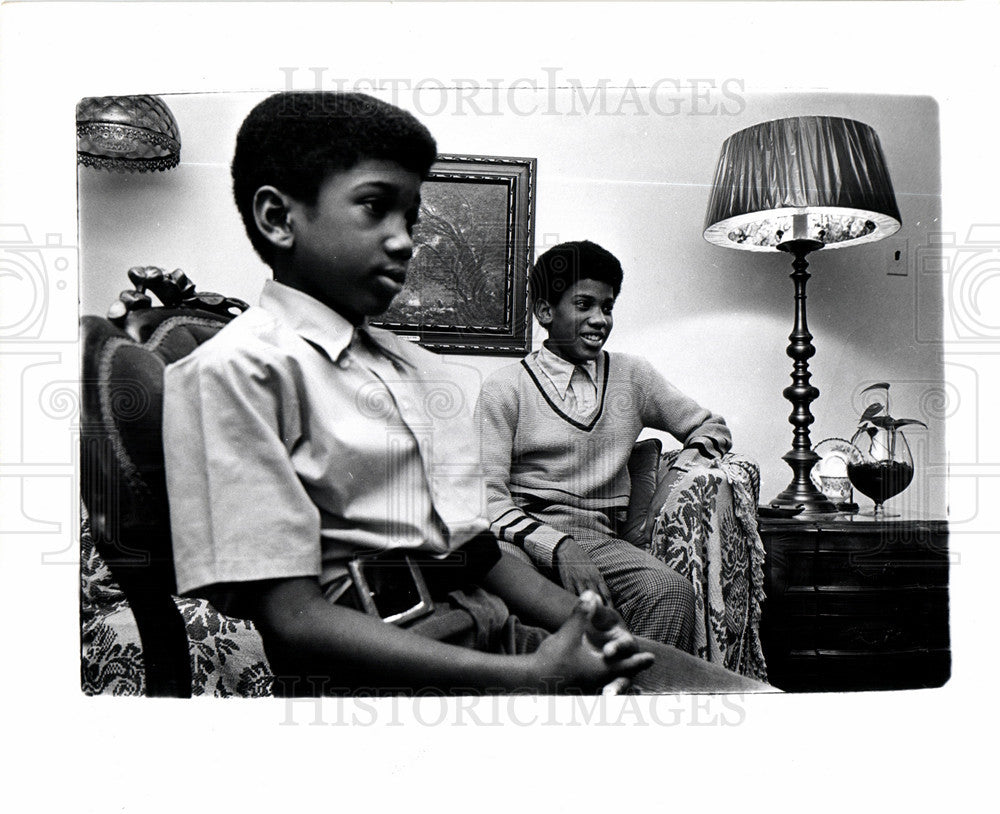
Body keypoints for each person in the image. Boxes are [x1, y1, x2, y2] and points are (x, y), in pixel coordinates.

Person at [163, 91, 765, 695]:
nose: (405, 241)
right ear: (277, 217)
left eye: (411, 217)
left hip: (495, 636)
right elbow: (295, 622)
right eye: (375, 207)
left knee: (743, 700)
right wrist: (532, 677)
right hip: (379, 681)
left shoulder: (421, 370)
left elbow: (481, 554)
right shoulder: (233, 373)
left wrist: (599, 632)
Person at [475, 241, 732, 650]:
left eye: (608, 307)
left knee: (669, 592)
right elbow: (486, 499)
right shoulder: (505, 387)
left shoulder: (633, 376)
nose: (600, 320)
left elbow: (710, 427)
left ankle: (629, 707)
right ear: (545, 312)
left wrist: (680, 474)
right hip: (522, 540)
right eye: (584, 304)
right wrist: (558, 546)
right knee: (501, 592)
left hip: (601, 542)